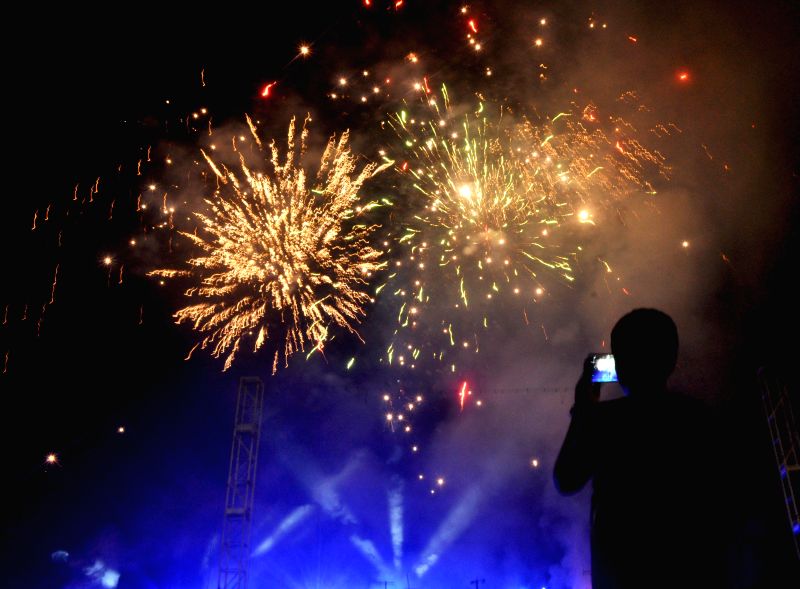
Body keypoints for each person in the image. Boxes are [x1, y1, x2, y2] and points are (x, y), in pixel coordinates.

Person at [553, 308, 722, 588]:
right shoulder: (698, 416)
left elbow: (566, 479)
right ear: (672, 359)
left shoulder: (604, 420)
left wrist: (584, 409)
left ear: (619, 366)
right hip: (690, 570)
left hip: (621, 573)